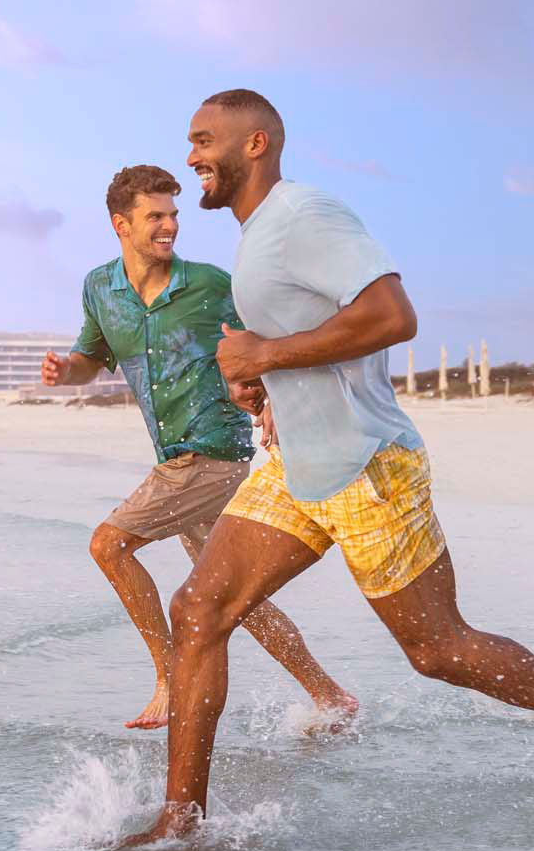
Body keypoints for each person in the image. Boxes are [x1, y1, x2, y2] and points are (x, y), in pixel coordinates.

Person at [121, 90, 534, 846]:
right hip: (296, 465)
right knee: (200, 610)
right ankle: (181, 821)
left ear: (255, 143)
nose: (192, 155)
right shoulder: (257, 233)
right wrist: (260, 380)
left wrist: (266, 353)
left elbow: (394, 315)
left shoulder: (305, 214)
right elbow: (305, 340)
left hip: (365, 464)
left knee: (438, 649)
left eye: (205, 140)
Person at [43, 164, 357, 732]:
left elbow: (266, 342)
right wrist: (67, 370)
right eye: (155, 217)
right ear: (121, 225)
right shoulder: (100, 288)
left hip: (211, 454)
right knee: (238, 601)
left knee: (109, 546)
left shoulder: (210, 285)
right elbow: (91, 359)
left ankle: (171, 678)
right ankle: (329, 694)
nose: (169, 226)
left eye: (173, 215)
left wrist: (273, 399)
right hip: (179, 461)